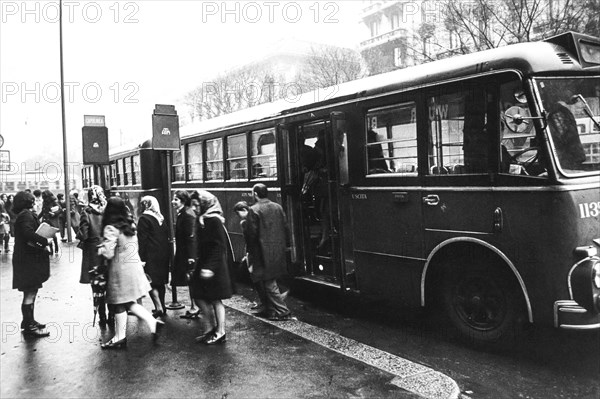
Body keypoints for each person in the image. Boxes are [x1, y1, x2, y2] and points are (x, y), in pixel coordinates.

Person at [98, 196, 164, 349]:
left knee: (119, 304)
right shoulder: (130, 224)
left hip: (119, 270)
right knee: (129, 302)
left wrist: (100, 247)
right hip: (133, 268)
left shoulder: (111, 227)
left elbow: (107, 253)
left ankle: (120, 337)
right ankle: (152, 322)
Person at [190, 190, 232, 344]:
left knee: (215, 299)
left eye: (196, 205)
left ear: (204, 204)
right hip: (204, 264)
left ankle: (220, 332)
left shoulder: (214, 220)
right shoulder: (202, 219)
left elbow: (219, 247)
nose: (194, 208)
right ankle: (210, 328)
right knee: (199, 295)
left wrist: (210, 267)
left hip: (214, 267)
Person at [248, 183, 293, 321]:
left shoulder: (254, 209)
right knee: (270, 280)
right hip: (277, 249)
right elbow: (286, 227)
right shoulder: (277, 207)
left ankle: (282, 311)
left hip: (262, 252)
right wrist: (288, 245)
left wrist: (250, 253)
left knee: (268, 282)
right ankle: (270, 309)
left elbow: (252, 235)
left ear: (255, 194)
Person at [12, 191, 51, 337]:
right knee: (29, 291)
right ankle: (29, 326)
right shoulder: (26, 216)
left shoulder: (24, 214)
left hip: (26, 259)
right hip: (27, 261)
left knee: (32, 291)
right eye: (32, 201)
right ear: (27, 202)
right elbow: (28, 234)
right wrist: (45, 240)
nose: (34, 202)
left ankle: (29, 321)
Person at [78, 186, 110, 327]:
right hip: (108, 250)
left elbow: (83, 234)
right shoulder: (108, 210)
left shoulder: (86, 212)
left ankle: (101, 316)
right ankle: (113, 315)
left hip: (93, 253)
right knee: (109, 283)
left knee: (97, 285)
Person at [137, 195, 170, 319]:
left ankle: (158, 307)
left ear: (146, 205)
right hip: (163, 254)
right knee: (160, 282)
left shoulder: (144, 219)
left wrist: (142, 258)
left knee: (149, 281)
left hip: (151, 255)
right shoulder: (161, 218)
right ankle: (162, 305)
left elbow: (143, 241)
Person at [171, 190, 199, 318]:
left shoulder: (187, 214)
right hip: (186, 253)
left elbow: (191, 238)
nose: (173, 202)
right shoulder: (185, 213)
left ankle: (195, 307)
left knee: (191, 279)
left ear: (182, 200)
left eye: (176, 199)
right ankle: (195, 306)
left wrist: (191, 257)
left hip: (188, 255)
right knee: (190, 280)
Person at [547, 93, 587, 170]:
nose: (580, 112)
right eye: (579, 109)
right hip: (565, 162)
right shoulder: (560, 114)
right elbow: (564, 138)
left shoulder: (560, 113)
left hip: (565, 160)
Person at [39, 190, 61, 254]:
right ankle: (51, 249)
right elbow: (43, 211)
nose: (43, 198)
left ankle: (56, 247)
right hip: (46, 219)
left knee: (52, 235)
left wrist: (54, 214)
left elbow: (60, 209)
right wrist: (38, 218)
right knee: (48, 235)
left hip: (52, 220)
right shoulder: (44, 202)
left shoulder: (53, 201)